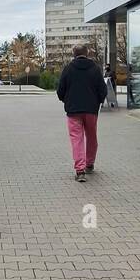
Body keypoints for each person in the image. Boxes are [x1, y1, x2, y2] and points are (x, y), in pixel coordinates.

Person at [56, 43, 107, 182]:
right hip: (91, 110)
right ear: (87, 53)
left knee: (76, 139)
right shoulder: (95, 69)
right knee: (91, 136)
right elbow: (103, 90)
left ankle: (80, 170)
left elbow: (60, 90)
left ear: (74, 54)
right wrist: (98, 102)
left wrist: (66, 100)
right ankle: (89, 164)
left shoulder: (68, 69)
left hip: (73, 110)